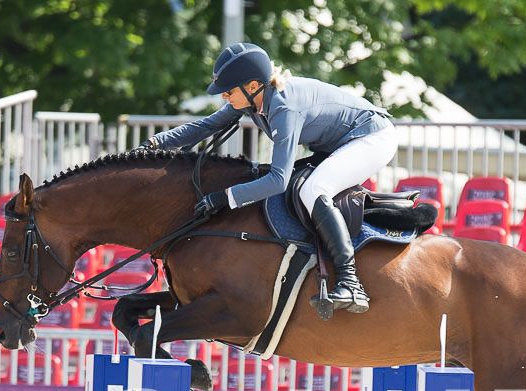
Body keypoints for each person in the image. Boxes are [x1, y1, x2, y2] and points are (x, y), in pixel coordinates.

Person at [147, 43, 397, 314]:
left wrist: (225, 197)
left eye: (228, 91)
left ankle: (350, 282)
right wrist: (154, 144)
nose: (224, 96)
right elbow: (207, 125)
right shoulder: (253, 98)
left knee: (313, 189)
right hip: (338, 143)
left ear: (253, 86)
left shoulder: (284, 107)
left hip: (372, 137)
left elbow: (278, 180)